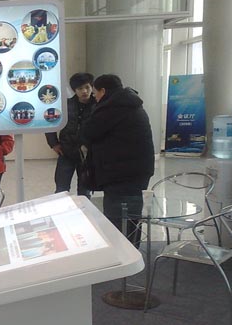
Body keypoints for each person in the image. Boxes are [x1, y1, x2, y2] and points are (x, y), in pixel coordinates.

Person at [82, 74, 155, 244]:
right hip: (133, 170)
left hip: (120, 173)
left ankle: (123, 252)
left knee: (118, 218)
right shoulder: (129, 103)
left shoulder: (112, 107)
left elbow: (88, 132)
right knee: (131, 216)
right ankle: (132, 249)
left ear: (103, 91)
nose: (94, 97)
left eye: (95, 93)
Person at [45, 72, 96, 198]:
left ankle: (84, 210)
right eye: (80, 88)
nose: (84, 91)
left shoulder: (97, 105)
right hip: (66, 151)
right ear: (74, 90)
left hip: (87, 154)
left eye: (87, 87)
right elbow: (50, 122)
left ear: (92, 87)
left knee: (85, 190)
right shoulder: (66, 105)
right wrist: (54, 143)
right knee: (61, 189)